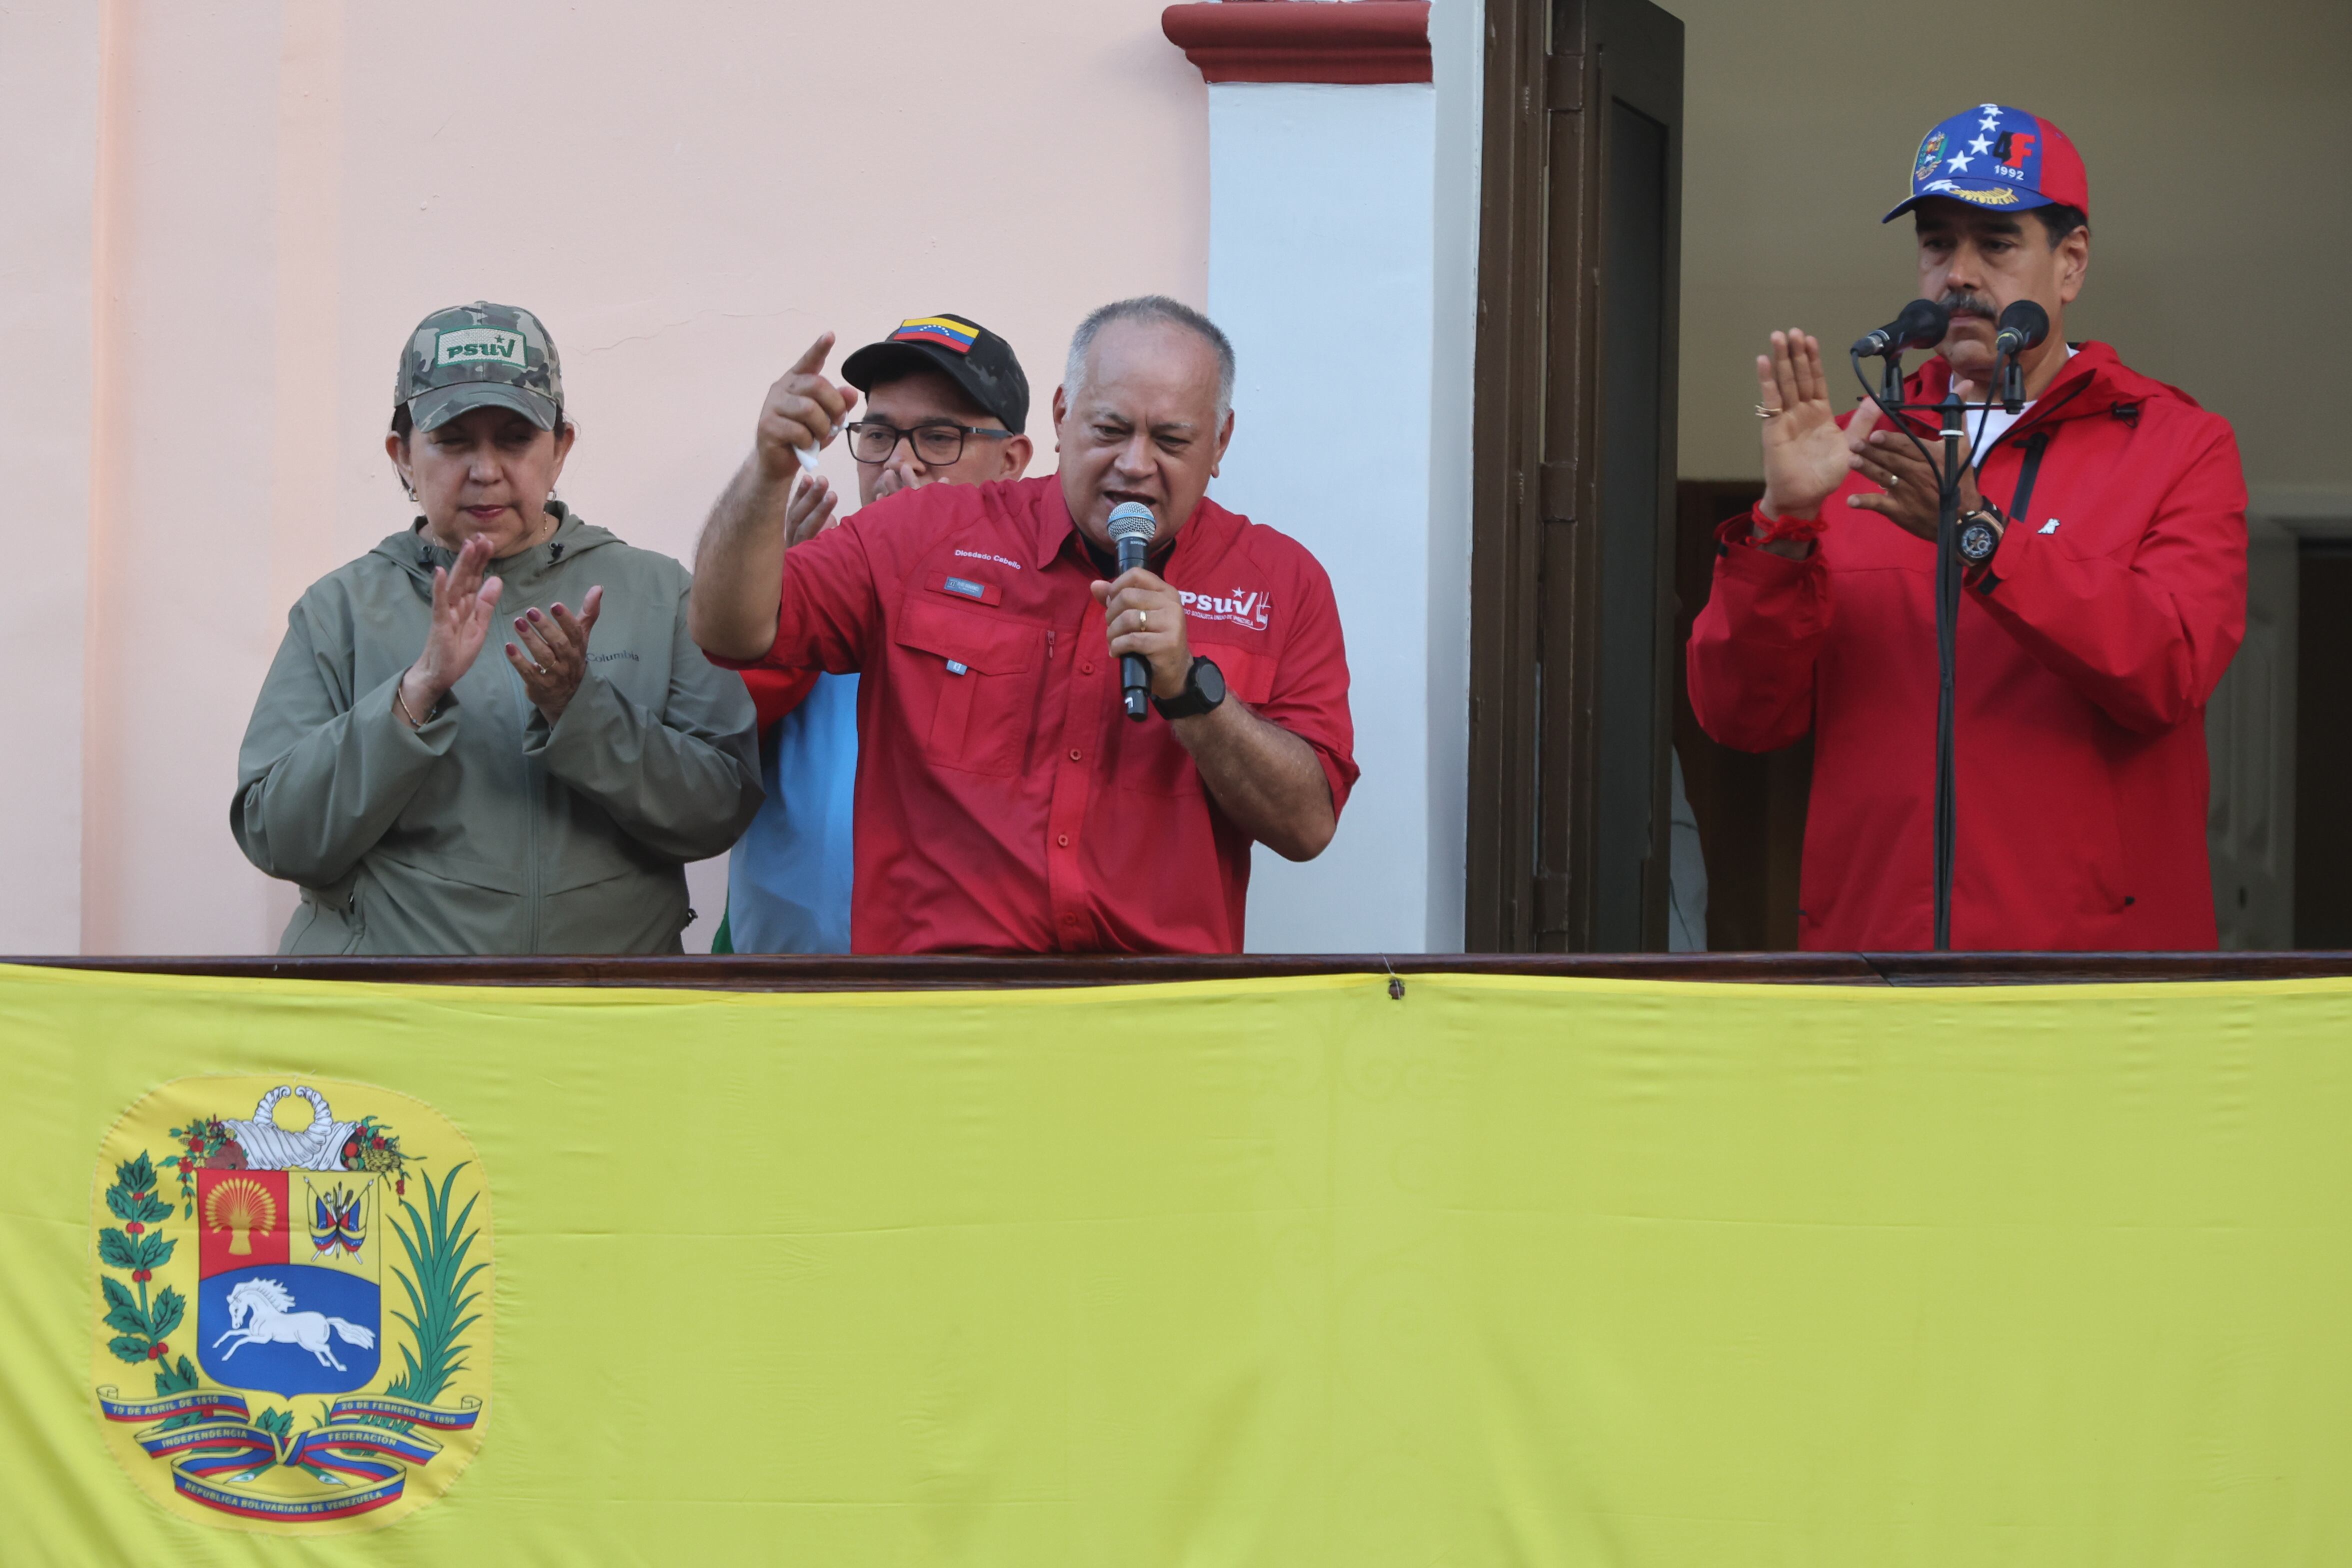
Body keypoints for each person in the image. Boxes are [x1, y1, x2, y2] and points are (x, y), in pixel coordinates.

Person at [1687, 105, 2247, 950]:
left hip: (2089, 985)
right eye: (1936, 244)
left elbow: (2165, 669)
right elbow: (1740, 718)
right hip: (1873, 968)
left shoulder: (2177, 445)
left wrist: (1977, 534)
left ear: (2070, 264)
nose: (1958, 274)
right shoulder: (1853, 447)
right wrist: (1784, 525)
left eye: (1994, 245)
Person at [690, 296, 1356, 954]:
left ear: (1220, 443)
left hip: (1158, 1023)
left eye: (1171, 440)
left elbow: (1306, 827)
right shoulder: (921, 535)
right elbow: (729, 630)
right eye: (1109, 429)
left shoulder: (1281, 584)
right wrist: (766, 470)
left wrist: (1191, 693)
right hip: (941, 1016)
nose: (1134, 462)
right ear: (1063, 416)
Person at [233, 302, 762, 954]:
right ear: (402, 455)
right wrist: (415, 693)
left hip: (603, 1018)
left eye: (515, 438)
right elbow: (278, 838)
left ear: (560, 448)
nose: (485, 470)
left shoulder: (659, 593)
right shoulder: (340, 609)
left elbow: (719, 813)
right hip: (392, 1019)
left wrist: (580, 710)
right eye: (453, 441)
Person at [715, 315, 1035, 954]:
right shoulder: (801, 577)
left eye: (939, 437)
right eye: (881, 434)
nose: (901, 462)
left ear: (1011, 461)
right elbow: (711, 736)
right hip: (776, 990)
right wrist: (775, 601)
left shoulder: (1044, 604)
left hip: (954, 998)